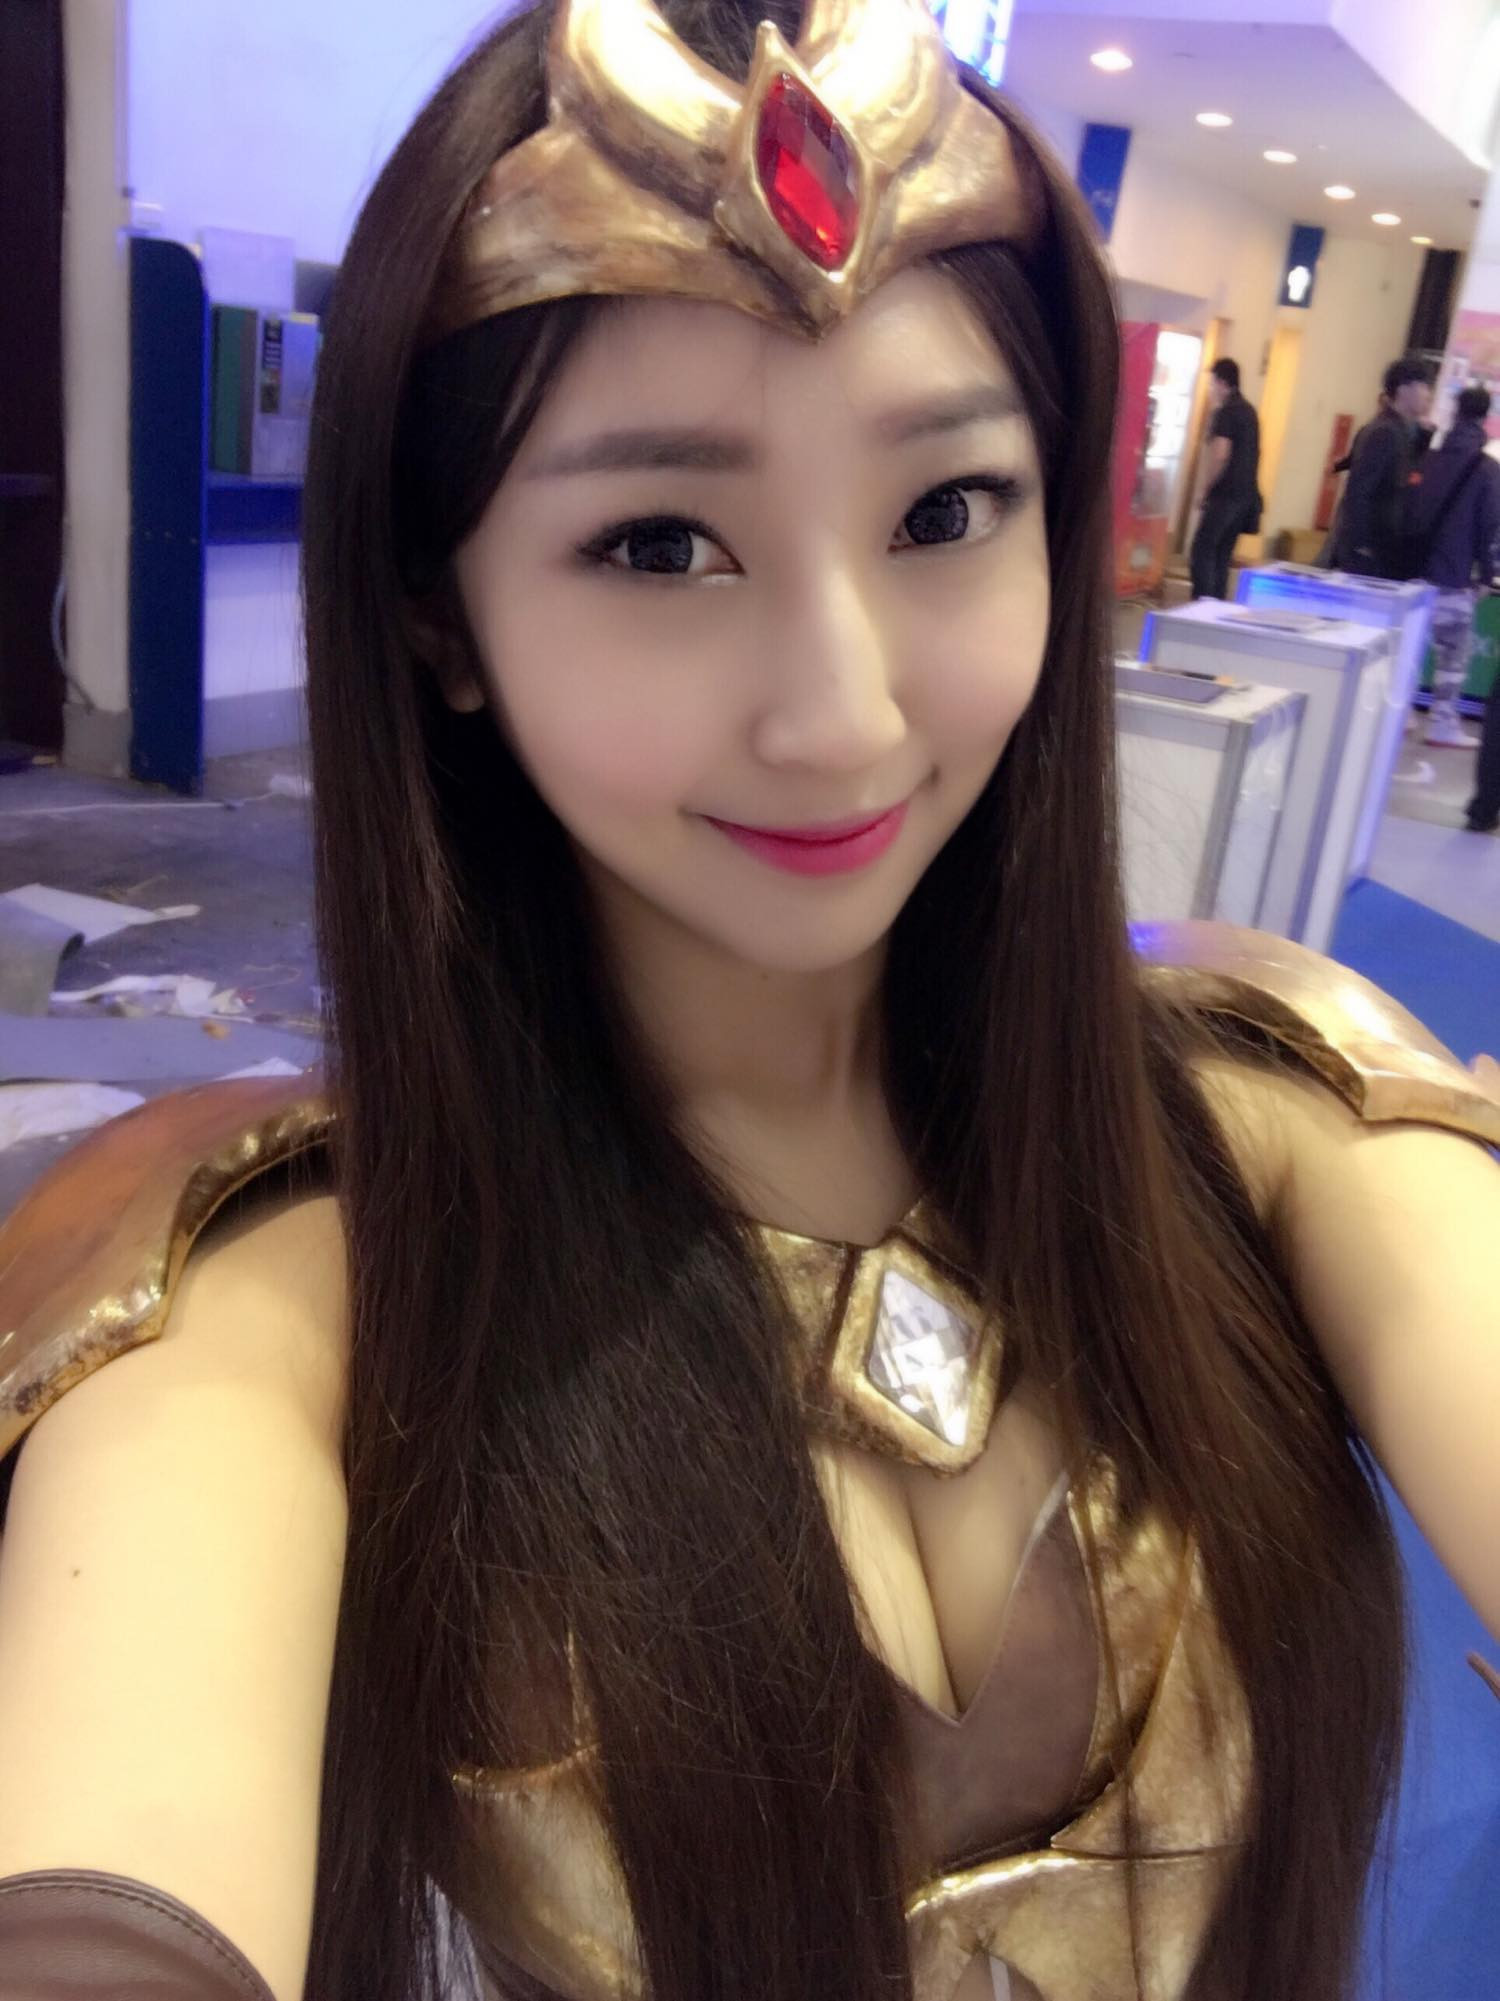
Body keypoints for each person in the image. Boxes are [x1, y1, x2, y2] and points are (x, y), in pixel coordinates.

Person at [0, 6, 1497, 2001]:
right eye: (659, 543)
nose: (843, 712)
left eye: (947, 511)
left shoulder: (1262, 1111)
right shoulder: (284, 1292)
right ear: (442, 614)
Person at [1413, 383, 1500, 751]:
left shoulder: (1430, 458)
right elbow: (1491, 526)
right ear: (1485, 417)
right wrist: (1489, 575)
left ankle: (1399, 713)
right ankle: (1442, 723)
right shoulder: (1486, 469)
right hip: (1455, 576)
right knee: (1453, 655)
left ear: (1455, 412)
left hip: (1417, 573)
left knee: (1412, 648)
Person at [1328, 356, 1434, 576]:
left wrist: (1424, 439)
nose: (1428, 395)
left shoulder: (1402, 431)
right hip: (1368, 552)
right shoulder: (1385, 432)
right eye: (1424, 386)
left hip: (1382, 549)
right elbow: (1359, 491)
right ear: (1404, 389)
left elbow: (1411, 478)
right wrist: (1361, 545)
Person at [1189, 357, 1261, 599]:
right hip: (1245, 497)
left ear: (1222, 382)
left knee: (1202, 550)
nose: (1210, 389)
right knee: (1222, 555)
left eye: (1212, 383)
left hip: (1225, 494)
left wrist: (1205, 489)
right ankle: (1215, 607)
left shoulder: (1226, 412)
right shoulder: (1249, 411)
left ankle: (1200, 606)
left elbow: (1220, 455)